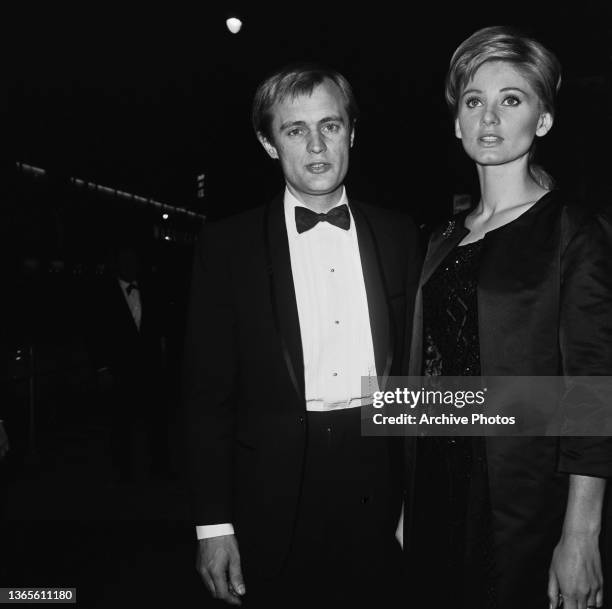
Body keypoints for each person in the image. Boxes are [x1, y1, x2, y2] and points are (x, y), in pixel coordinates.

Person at [182, 64, 421, 607]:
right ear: (269, 144)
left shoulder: (401, 235)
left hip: (376, 476)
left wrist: (413, 500)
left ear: (352, 133)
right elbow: (205, 398)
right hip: (270, 488)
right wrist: (212, 526)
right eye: (295, 130)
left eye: (330, 126)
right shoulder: (226, 247)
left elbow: (415, 372)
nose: (316, 145)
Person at [404, 26, 612, 609]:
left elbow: (592, 393)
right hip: (436, 495)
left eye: (511, 99)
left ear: (542, 120)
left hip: (520, 504)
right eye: (474, 102)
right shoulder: (441, 238)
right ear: (456, 122)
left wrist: (581, 534)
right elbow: (425, 378)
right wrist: (403, 502)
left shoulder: (572, 230)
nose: (489, 117)